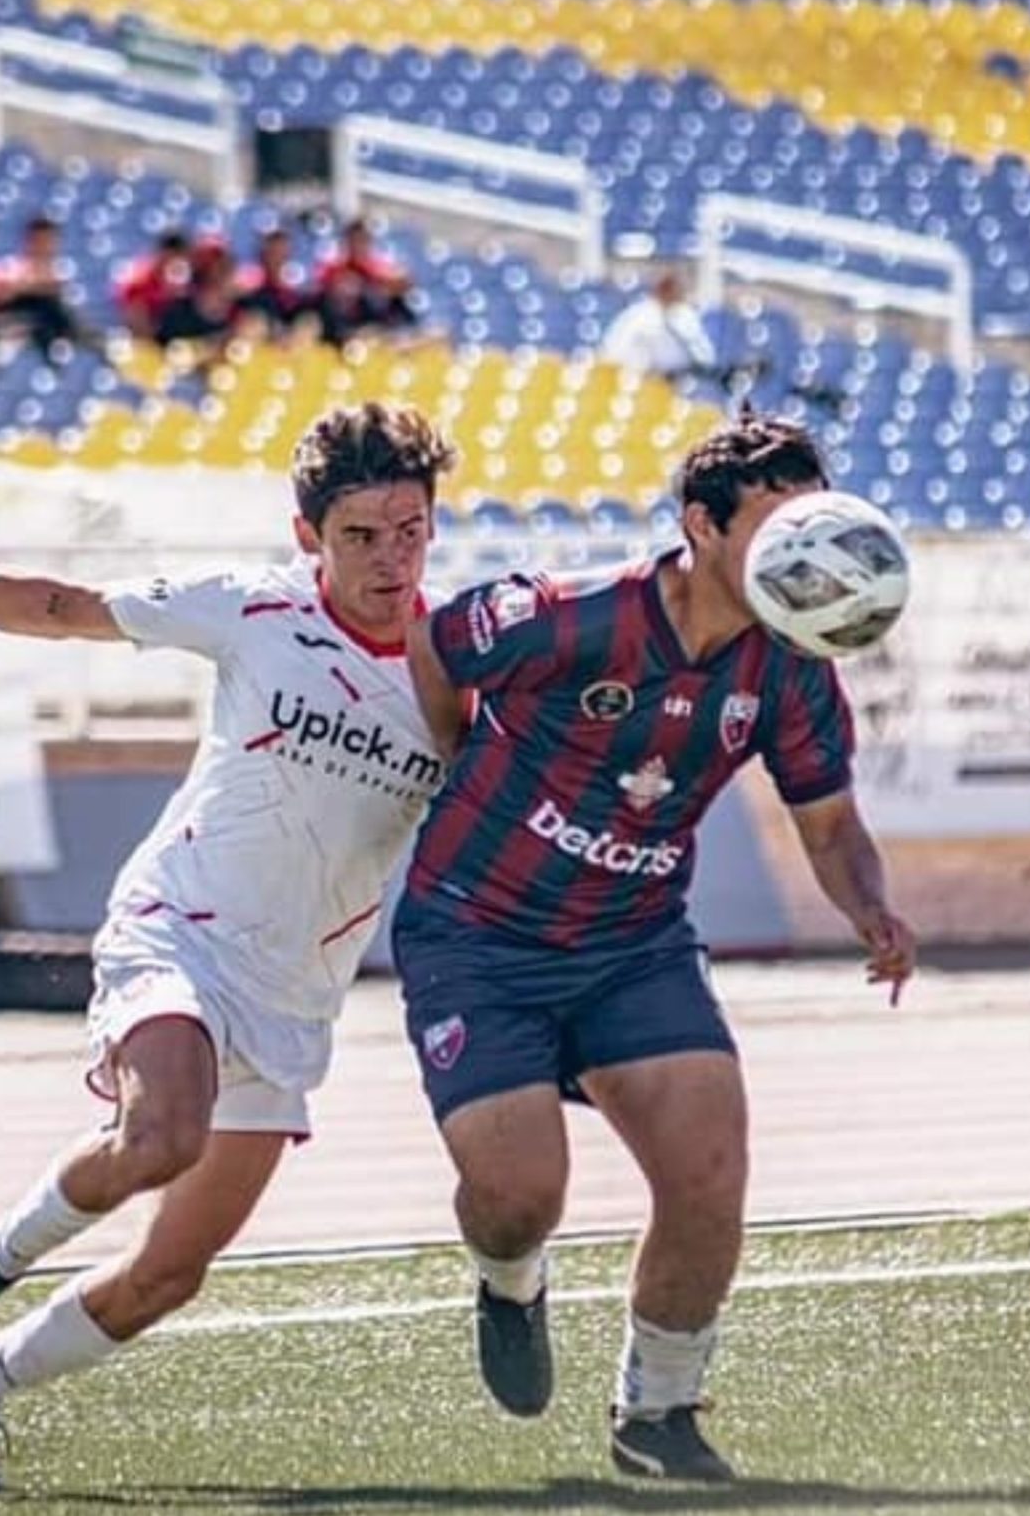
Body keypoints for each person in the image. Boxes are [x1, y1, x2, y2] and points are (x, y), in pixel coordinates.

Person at [0, 401, 457, 1495]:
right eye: (361, 534)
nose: (390, 557)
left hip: (295, 994)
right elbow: (64, 605)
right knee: (160, 1131)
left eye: (410, 529)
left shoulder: (455, 670)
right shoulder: (252, 609)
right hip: (177, 929)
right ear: (309, 533)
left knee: (169, 1273)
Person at [395, 412, 917, 1484]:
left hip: (632, 946)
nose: (805, 544)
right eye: (778, 519)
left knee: (708, 1170)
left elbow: (828, 823)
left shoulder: (790, 666)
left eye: (814, 515)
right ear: (701, 525)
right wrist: (454, 757)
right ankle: (508, 1276)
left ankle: (658, 1412)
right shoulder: (571, 616)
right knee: (516, 1193)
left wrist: (869, 908)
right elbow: (436, 644)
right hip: (477, 934)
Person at [597, 268, 717, 380]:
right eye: (667, 288)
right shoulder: (637, 316)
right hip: (640, 382)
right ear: (658, 290)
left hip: (682, 380)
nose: (672, 292)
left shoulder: (686, 315)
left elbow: (705, 356)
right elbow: (612, 355)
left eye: (676, 288)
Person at [316, 215, 418, 346]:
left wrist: (389, 286)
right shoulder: (336, 267)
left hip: (370, 323)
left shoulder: (375, 267)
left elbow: (403, 282)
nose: (358, 245)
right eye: (354, 240)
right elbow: (322, 287)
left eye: (363, 240)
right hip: (339, 324)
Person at [0, 214, 90, 357]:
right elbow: (5, 294)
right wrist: (35, 286)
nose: (44, 246)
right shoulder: (12, 266)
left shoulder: (59, 269)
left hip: (54, 324)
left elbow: (57, 289)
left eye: (49, 241)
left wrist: (36, 285)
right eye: (39, 240)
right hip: (21, 322)